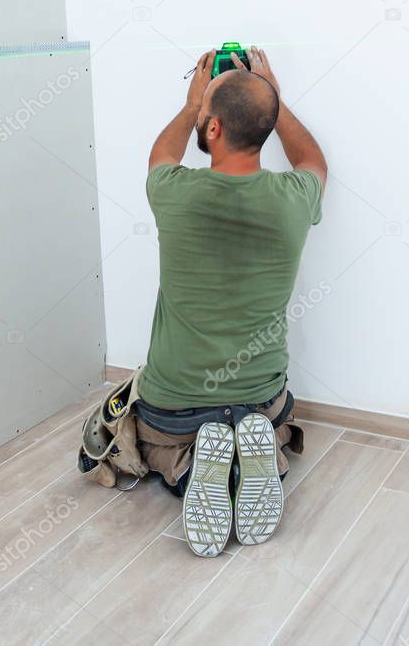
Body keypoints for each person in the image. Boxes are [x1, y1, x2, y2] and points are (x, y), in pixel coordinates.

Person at [136, 46, 326, 557]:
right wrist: (272, 100)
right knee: (271, 415)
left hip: (173, 405)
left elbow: (160, 156)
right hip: (260, 397)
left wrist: (191, 102)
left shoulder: (174, 192)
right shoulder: (294, 196)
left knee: (148, 435)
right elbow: (312, 160)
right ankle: (256, 451)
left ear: (212, 129)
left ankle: (196, 467)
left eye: (205, 117)